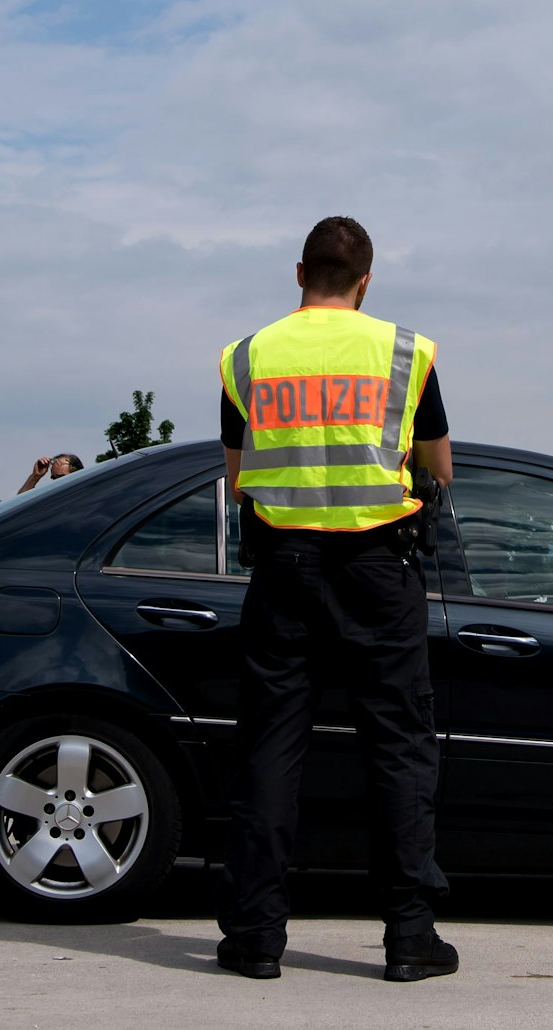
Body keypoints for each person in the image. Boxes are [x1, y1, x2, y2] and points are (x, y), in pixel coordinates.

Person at [214, 215, 456, 983]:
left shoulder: (247, 356)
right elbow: (439, 471)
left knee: (269, 753)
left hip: (283, 569)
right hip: (379, 571)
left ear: (298, 274)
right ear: (366, 280)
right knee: (399, 752)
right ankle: (410, 940)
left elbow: (237, 478)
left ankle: (255, 938)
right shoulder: (406, 353)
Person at [16, 453, 82, 494]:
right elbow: (19, 504)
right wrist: (35, 476)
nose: (57, 482)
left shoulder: (85, 497)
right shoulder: (52, 500)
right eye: (54, 479)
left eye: (61, 477)